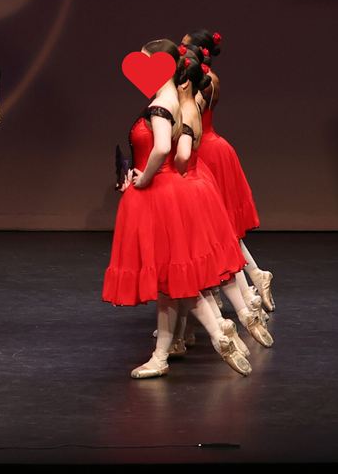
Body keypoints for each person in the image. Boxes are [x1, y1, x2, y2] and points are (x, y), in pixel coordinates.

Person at [103, 39, 251, 378]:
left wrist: (143, 179)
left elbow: (160, 148)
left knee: (173, 279)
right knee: (172, 281)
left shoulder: (160, 106)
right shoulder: (177, 101)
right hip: (170, 191)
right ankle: (171, 351)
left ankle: (215, 334)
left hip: (159, 193)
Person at [172, 46, 273, 355]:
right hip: (207, 154)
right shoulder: (199, 87)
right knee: (219, 237)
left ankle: (237, 304)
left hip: (205, 156)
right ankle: (243, 297)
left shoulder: (199, 89)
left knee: (214, 239)